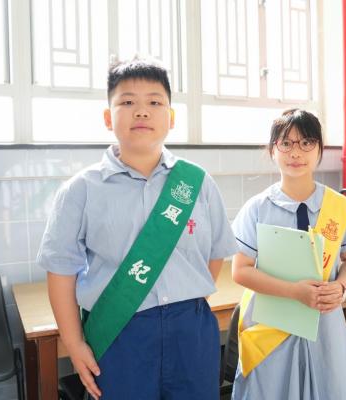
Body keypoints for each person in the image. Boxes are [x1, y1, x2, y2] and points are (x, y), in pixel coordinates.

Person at [37, 57, 238, 400]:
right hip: (118, 332)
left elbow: (214, 257)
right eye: (128, 102)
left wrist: (182, 303)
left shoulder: (197, 182)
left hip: (191, 331)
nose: (142, 111)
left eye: (155, 102)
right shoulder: (80, 189)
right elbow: (60, 272)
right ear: (108, 117)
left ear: (171, 117)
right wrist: (74, 343)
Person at [230, 108, 346, 400]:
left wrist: (341, 286)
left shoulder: (338, 207)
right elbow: (240, 270)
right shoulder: (257, 208)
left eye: (306, 143)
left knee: (330, 389)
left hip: (324, 322)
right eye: (286, 143)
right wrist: (294, 292)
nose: (296, 152)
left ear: (319, 149)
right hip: (271, 325)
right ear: (273, 150)